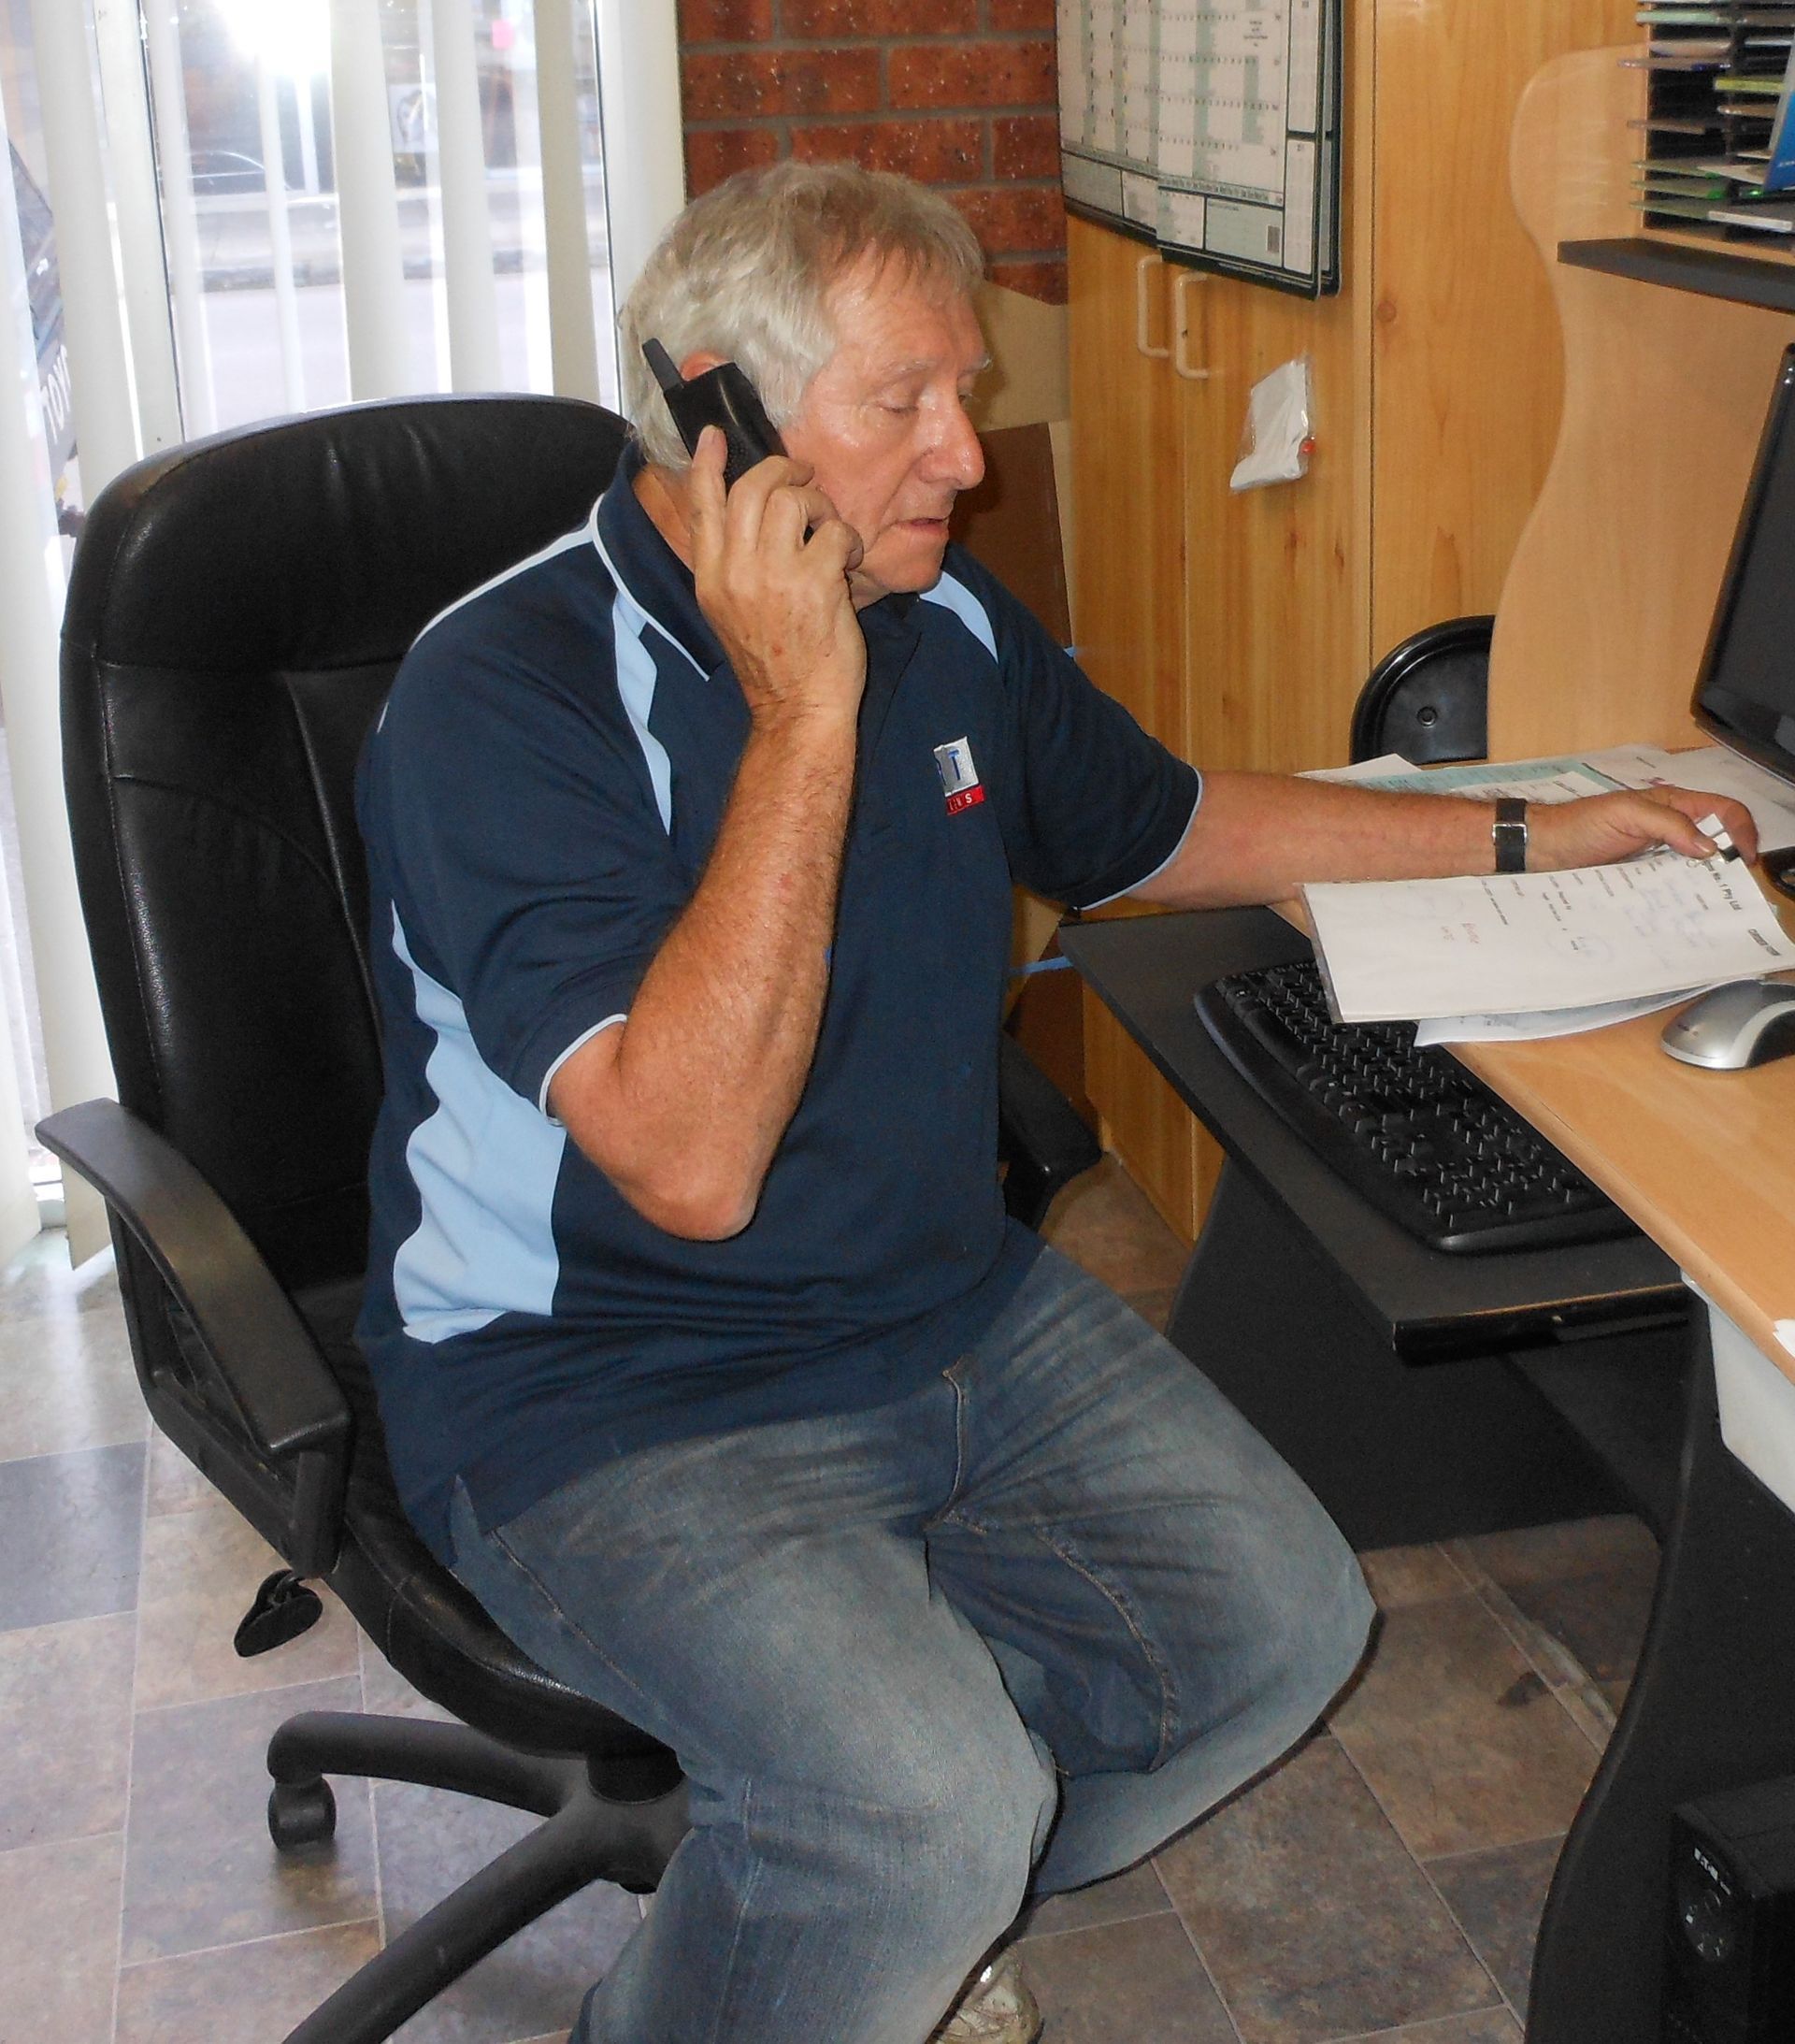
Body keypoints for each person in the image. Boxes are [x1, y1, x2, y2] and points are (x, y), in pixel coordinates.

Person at [354, 163, 1758, 2044]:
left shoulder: (946, 619)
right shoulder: (498, 695)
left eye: (968, 391)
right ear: (717, 412)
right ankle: (815, 1917)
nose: (970, 458)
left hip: (943, 1304)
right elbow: (688, 1166)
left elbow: (1177, 828)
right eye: (901, 404)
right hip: (601, 1387)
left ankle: (853, 1903)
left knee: (1280, 1635)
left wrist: (1523, 831)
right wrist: (803, 715)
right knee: (927, 1795)